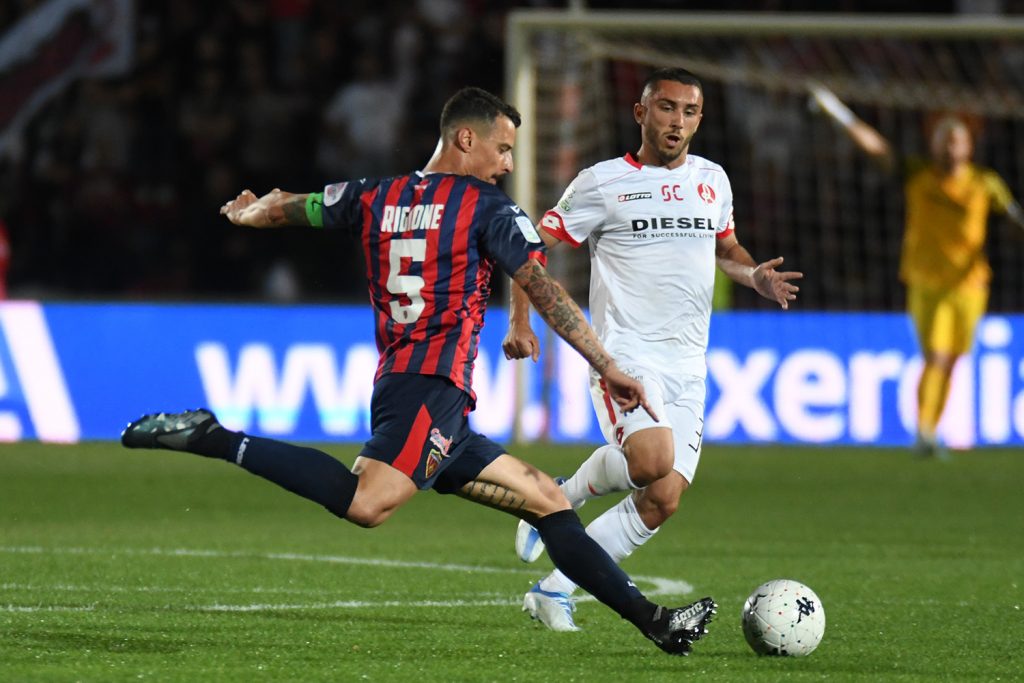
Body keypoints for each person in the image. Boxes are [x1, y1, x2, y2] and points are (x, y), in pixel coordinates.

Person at [120, 87, 717, 656]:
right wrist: (605, 364)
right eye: (502, 148)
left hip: (413, 386)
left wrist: (255, 212)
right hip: (430, 389)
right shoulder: (488, 208)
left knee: (548, 503)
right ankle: (214, 437)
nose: (508, 164)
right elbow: (544, 288)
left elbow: (296, 207)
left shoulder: (375, 195)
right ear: (465, 139)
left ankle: (657, 624)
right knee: (367, 503)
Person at [503, 68, 802, 632]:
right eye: (667, 108)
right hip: (625, 356)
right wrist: (521, 320)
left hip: (689, 363)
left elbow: (727, 248)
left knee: (663, 498)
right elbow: (530, 248)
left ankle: (554, 587)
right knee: (650, 462)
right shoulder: (602, 182)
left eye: (689, 112)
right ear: (641, 113)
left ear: (700, 119)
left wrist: (755, 276)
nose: (677, 122)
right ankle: (559, 498)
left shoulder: (713, 180)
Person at [809, 83, 1024, 458]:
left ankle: (931, 430)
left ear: (968, 147)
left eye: (956, 140)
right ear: (933, 145)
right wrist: (839, 114)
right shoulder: (918, 175)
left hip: (971, 284)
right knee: (936, 356)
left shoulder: (985, 184)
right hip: (927, 282)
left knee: (952, 360)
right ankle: (924, 432)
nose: (949, 146)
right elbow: (876, 148)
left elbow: (1012, 220)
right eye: (943, 139)